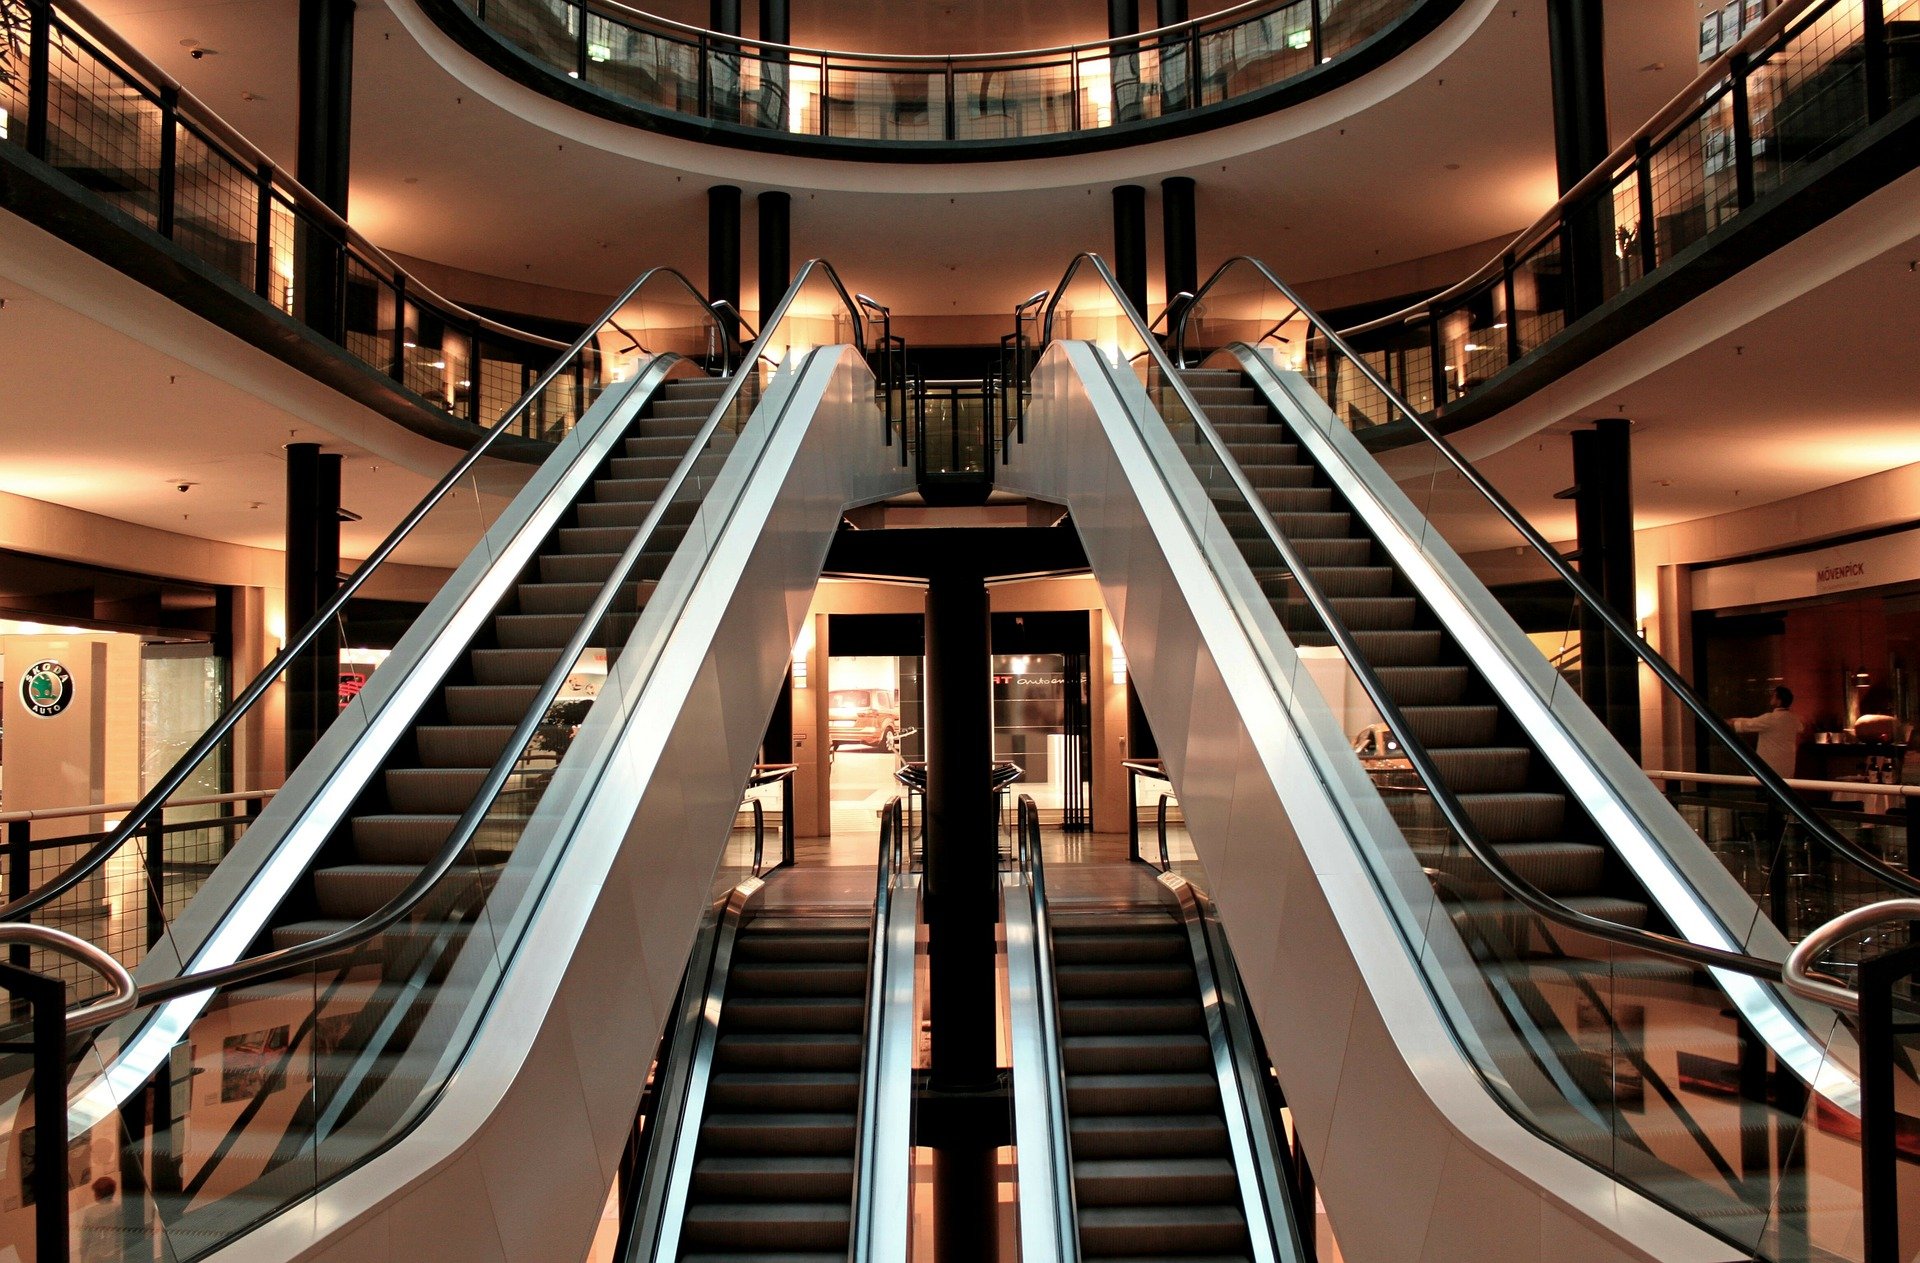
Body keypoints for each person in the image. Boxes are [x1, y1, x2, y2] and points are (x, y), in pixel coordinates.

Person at [1731, 685, 1804, 781]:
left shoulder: (1770, 719)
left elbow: (1748, 724)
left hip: (1769, 770)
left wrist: (1730, 721)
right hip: (1787, 768)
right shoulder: (1794, 719)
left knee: (1765, 794)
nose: (1771, 697)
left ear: (1779, 700)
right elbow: (1801, 728)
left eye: (1774, 695)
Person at [78, 1175, 121, 1263]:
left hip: (94, 1255)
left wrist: (83, 1257)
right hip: (113, 1254)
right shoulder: (119, 1209)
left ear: (97, 1194)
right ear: (112, 1193)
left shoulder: (90, 1212)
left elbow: (85, 1239)